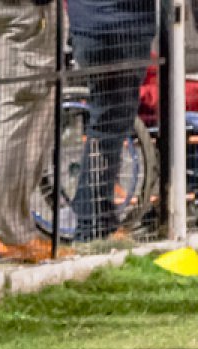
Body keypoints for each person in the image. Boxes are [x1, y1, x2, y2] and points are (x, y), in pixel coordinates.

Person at [0, 0, 72, 262]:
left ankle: (14, 229)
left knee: (28, 118)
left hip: (23, 12)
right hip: (26, 12)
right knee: (20, 117)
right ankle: (5, 232)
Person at [67, 0, 156, 241]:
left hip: (86, 26)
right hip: (123, 26)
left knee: (104, 121)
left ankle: (97, 217)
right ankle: (93, 223)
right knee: (111, 124)